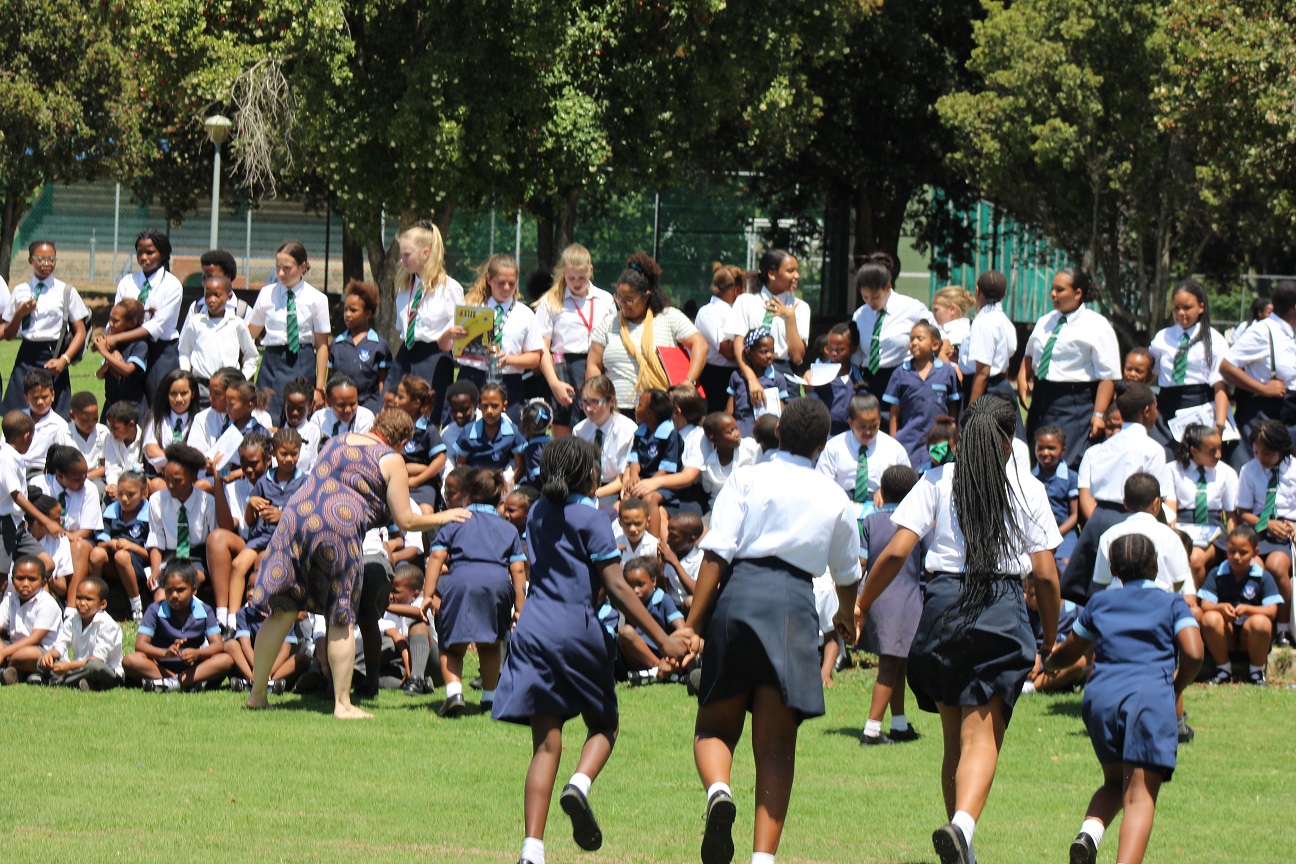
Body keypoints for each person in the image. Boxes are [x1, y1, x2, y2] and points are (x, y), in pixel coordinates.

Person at [848, 396, 1062, 864]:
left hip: (943, 605)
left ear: (962, 435)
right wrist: (1049, 636)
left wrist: (862, 602)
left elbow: (895, 551)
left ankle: (963, 849)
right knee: (981, 738)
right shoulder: (1028, 487)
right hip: (1000, 608)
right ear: (1009, 443)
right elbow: (1045, 576)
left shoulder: (935, 481)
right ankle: (962, 827)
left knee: (953, 740)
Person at [492, 437, 691, 864]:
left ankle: (532, 850)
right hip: (575, 628)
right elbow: (617, 587)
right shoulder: (594, 519)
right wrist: (664, 638)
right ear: (589, 474)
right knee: (604, 724)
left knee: (546, 743)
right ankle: (578, 785)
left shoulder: (539, 512)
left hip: (532, 630)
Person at [685, 398, 860, 864]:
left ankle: (719, 791)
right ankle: (763, 859)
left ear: (778, 433)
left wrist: (691, 624)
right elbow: (847, 573)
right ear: (823, 445)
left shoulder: (748, 477)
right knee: (777, 746)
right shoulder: (834, 496)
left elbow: (716, 553)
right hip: (794, 606)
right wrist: (846, 614)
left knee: (715, 726)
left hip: (739, 596)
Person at [242, 409, 470, 718]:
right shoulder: (391, 459)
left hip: (294, 519)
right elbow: (406, 519)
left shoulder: (336, 441)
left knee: (282, 608)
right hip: (338, 525)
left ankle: (257, 695)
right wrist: (444, 516)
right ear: (402, 440)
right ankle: (342, 704)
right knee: (341, 616)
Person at [1045, 534, 1203, 864]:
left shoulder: (1099, 603)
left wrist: (1047, 663)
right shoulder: (1172, 603)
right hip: (1149, 700)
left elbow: (1070, 650)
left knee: (1116, 781)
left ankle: (1088, 833)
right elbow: (1194, 652)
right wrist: (1175, 687)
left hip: (1101, 699)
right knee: (1141, 796)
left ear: (1113, 568)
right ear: (1156, 565)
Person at [422, 467, 527, 716]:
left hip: (462, 582)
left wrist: (427, 594)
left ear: (467, 495)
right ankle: (490, 699)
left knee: (451, 644)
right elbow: (519, 570)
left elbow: (437, 556)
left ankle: (454, 693)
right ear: (499, 498)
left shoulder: (454, 521)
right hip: (498, 585)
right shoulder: (508, 529)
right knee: (491, 643)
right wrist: (520, 608)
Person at [1062, 383, 1176, 603]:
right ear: (1146, 411)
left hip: (1098, 521)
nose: (1156, 413)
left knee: (1096, 594)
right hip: (1134, 522)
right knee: (1130, 593)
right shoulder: (1152, 449)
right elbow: (1157, 498)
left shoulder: (1100, 449)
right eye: (1155, 408)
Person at [1018, 268, 1121, 468]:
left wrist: (1099, 415)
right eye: (1052, 289)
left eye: (1060, 290)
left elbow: (1108, 376)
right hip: (1042, 399)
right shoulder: (1045, 321)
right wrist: (1023, 380)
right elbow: (1030, 355)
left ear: (1078, 293)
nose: (1053, 295)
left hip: (1074, 402)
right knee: (1037, 456)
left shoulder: (1097, 325)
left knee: (1067, 461)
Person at [857, 465, 928, 746]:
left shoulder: (869, 522)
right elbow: (927, 565)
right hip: (906, 600)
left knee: (898, 662)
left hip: (875, 598)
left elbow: (862, 563)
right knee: (890, 665)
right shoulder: (917, 523)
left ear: (881, 492)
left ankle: (898, 724)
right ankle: (872, 729)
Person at [586, 252, 707, 414]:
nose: (622, 303)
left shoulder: (669, 317)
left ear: (646, 296)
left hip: (659, 411)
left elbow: (700, 344)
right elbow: (593, 364)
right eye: (619, 297)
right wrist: (596, 397)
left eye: (629, 299)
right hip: (616, 411)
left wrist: (689, 381)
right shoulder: (608, 323)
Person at [1, 240, 90, 416]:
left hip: (53, 355)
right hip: (26, 355)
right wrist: (19, 314)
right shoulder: (20, 291)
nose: (46, 264)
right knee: (18, 414)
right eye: (40, 259)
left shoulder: (66, 291)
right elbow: (9, 334)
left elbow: (81, 331)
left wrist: (64, 359)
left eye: (51, 259)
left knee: (55, 414)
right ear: (30, 261)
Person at [450, 254, 543, 416]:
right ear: (488, 280)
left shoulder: (525, 314)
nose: (507, 288)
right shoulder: (471, 309)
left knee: (508, 434)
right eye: (501, 283)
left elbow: (535, 358)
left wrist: (509, 360)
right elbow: (449, 347)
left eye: (511, 284)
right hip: (473, 376)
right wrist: (452, 336)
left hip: (509, 381)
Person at [535, 244, 615, 434]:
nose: (577, 282)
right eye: (571, 278)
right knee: (564, 443)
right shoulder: (551, 301)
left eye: (582, 277)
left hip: (598, 367)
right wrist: (554, 384)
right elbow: (542, 348)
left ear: (591, 270)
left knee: (596, 438)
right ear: (563, 273)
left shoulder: (605, 300)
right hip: (565, 371)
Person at [247, 241, 330, 421]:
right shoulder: (267, 294)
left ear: (302, 267)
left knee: (297, 416)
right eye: (278, 267)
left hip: (301, 359)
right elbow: (250, 334)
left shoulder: (317, 299)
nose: (281, 273)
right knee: (265, 415)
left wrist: (319, 387)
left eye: (287, 268)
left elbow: (322, 345)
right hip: (272, 360)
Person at [123, 559, 235, 691]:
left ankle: (171, 684)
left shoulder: (205, 611)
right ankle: (182, 682)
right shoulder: (154, 610)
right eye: (169, 590)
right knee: (130, 660)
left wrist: (197, 654)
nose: (174, 595)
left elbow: (218, 645)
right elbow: (140, 645)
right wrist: (165, 653)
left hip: (194, 667)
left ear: (194, 589)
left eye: (180, 590)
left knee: (226, 660)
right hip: (161, 666)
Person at [1146, 280, 1230, 456]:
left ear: (1201, 307)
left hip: (1198, 406)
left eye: (1187, 307)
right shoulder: (1163, 337)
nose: (1181, 313)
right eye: (1176, 308)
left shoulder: (1214, 340)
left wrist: (1220, 425)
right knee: (1163, 458)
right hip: (1166, 407)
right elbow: (1150, 373)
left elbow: (1220, 385)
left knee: (1193, 460)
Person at [1220, 279, 1296, 470]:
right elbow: (1226, 366)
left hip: (1287, 415)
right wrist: (1263, 389)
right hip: (1263, 414)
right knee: (1254, 476)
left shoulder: (1288, 333)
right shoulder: (1263, 331)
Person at [393, 223, 465, 423]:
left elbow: (457, 334)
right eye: (401, 254)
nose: (402, 260)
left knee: (427, 418)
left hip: (434, 358)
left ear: (426, 253)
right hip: (406, 354)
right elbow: (403, 327)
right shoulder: (405, 286)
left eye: (407, 255)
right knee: (395, 413)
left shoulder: (449, 288)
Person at [1233, 419, 1296, 646]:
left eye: (1267, 453)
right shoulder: (1249, 470)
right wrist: (1266, 523)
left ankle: (1283, 629)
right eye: (1257, 452)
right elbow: (1244, 512)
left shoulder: (1294, 469)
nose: (1261, 458)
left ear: (1282, 449)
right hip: (1259, 531)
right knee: (1254, 567)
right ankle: (1257, 626)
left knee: (1277, 567)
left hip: (1288, 532)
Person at [106, 230, 184, 410]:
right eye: (140, 252)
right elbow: (115, 316)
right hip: (127, 348)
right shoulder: (127, 282)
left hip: (159, 352)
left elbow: (155, 326)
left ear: (163, 254)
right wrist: (114, 349)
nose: (143, 257)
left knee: (158, 404)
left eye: (150, 252)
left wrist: (115, 339)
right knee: (125, 402)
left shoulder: (172, 286)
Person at [1198, 525, 1280, 685]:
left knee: (1261, 622)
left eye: (1243, 553)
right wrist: (1220, 607)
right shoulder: (1217, 573)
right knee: (1209, 618)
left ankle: (1257, 672)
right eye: (1231, 551)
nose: (1236, 556)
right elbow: (1206, 605)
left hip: (1249, 638)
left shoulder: (1263, 577)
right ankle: (1223, 669)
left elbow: (1272, 611)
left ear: (1255, 553)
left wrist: (1248, 610)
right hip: (1225, 634)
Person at [850, 254, 934, 409]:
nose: (870, 303)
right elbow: (858, 354)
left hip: (902, 376)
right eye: (865, 297)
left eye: (875, 297)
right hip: (870, 380)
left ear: (888, 287)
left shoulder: (912, 308)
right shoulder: (860, 315)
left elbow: (935, 336)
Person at [1091, 473, 1194, 598]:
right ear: (1156, 503)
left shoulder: (1108, 535)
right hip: (1160, 607)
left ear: (1125, 503)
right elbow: (1179, 579)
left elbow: (1102, 580)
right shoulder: (1170, 536)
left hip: (1119, 607)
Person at [724, 249, 810, 386]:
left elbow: (797, 357)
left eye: (797, 270)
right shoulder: (746, 302)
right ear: (771, 274)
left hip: (786, 377)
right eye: (790, 271)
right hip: (751, 373)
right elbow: (738, 344)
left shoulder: (800, 307)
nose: (797, 276)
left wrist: (790, 317)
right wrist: (751, 379)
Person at [884, 321, 961, 470]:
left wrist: (952, 430)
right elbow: (894, 411)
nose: (914, 343)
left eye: (919, 338)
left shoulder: (947, 372)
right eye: (911, 339)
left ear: (935, 345)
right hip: (908, 440)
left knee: (937, 476)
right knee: (909, 479)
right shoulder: (900, 373)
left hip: (939, 440)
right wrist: (894, 440)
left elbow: (953, 406)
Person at [1169, 423, 1237, 586]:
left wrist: (1232, 544)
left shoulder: (1226, 472)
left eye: (1219, 448)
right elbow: (1171, 512)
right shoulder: (1173, 470)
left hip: (1213, 531)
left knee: (1195, 559)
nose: (1219, 455)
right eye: (1212, 450)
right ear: (1194, 450)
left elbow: (1231, 516)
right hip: (1183, 529)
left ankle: (1196, 604)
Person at [815, 393, 912, 506]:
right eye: (862, 427)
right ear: (851, 423)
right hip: (842, 506)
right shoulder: (833, 448)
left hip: (881, 508)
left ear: (879, 421)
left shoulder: (894, 449)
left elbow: (908, 487)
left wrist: (887, 492)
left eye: (873, 426)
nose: (868, 432)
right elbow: (821, 486)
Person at [177, 275, 260, 405]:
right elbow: (184, 352)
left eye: (217, 295)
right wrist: (187, 376)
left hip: (229, 387)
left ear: (229, 296)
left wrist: (242, 377)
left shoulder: (236, 323)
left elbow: (251, 355)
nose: (211, 300)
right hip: (201, 387)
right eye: (208, 295)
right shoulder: (196, 322)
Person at [38, 575, 123, 690]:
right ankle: (83, 683)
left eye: (89, 599)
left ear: (102, 604)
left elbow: (97, 659)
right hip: (78, 668)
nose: (82, 603)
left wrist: (68, 666)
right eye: (79, 598)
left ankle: (55, 681)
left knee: (94, 667)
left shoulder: (108, 625)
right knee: (41, 660)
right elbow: (61, 645)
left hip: (108, 672)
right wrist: (50, 655)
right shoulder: (72, 619)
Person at [91, 469, 149, 622]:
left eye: (131, 495)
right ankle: (95, 599)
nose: (124, 499)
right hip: (113, 560)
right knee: (97, 553)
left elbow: (152, 554)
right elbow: (101, 541)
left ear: (144, 493)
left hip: (137, 564)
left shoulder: (149, 515)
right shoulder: (111, 512)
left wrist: (131, 546)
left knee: (122, 556)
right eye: (120, 493)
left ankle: (136, 606)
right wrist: (111, 543)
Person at [572, 375, 636, 514]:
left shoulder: (627, 431)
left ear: (611, 401)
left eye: (594, 402)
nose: (588, 408)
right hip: (586, 487)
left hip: (612, 489)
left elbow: (622, 478)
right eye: (584, 402)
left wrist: (595, 494)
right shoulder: (579, 430)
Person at [959, 271, 1019, 414]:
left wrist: (971, 413)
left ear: (978, 291)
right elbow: (1006, 359)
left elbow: (983, 373)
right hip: (1001, 388)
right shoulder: (1005, 321)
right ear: (1004, 294)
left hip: (982, 393)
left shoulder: (983, 323)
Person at [327, 280, 391, 414]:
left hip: (369, 408)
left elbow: (383, 381)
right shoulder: (337, 344)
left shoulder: (379, 345)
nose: (347, 314)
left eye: (353, 310)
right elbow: (330, 378)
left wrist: (382, 409)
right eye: (345, 309)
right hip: (341, 409)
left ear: (368, 314)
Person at [0, 413, 48, 579]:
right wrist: (45, 519)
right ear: (27, 435)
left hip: (17, 524)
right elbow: (17, 496)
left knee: (46, 564)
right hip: (4, 524)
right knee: (2, 578)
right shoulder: (5, 458)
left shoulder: (15, 457)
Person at [390, 375, 447, 512]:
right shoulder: (392, 424)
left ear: (416, 403)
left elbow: (440, 459)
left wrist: (419, 478)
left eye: (401, 397)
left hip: (421, 484)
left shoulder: (427, 430)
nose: (396, 400)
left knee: (426, 513)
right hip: (396, 478)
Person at [0, 556, 61, 685]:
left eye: (32, 579)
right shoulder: (10, 599)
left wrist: (4, 653)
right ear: (12, 579)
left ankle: (9, 670)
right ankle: (20, 673)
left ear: (44, 582)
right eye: (20, 578)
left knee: (25, 655)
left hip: (43, 652)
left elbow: (34, 639)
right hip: (12, 648)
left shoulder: (47, 604)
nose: (25, 584)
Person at [694, 263, 745, 414]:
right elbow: (728, 351)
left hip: (736, 373)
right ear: (737, 290)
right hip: (716, 377)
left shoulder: (735, 310)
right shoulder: (709, 312)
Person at [1031, 426, 1079, 572]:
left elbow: (1075, 514)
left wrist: (1056, 533)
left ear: (1063, 450)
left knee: (1065, 568)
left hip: (1064, 532)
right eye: (1041, 448)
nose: (1045, 453)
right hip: (1037, 533)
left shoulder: (1071, 477)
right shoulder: (1030, 477)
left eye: (1051, 448)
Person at [726, 327, 790, 437]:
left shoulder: (777, 379)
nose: (770, 355)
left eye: (772, 350)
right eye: (764, 352)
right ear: (749, 353)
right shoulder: (737, 377)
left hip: (767, 434)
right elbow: (729, 411)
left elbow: (781, 412)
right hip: (742, 431)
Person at [141, 370, 200, 481]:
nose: (178, 399)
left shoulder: (200, 420)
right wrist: (177, 463)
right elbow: (151, 450)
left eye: (184, 393)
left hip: (191, 480)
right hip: (163, 478)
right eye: (173, 394)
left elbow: (199, 455)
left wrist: (174, 464)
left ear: (193, 394)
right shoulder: (157, 419)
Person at [18, 368, 74, 479]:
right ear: (26, 399)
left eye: (44, 397)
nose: (40, 402)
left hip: (43, 473)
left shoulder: (59, 425)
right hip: (17, 468)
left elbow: (67, 455)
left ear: (53, 395)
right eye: (35, 398)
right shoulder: (18, 419)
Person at [102, 401, 144, 501]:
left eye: (115, 428)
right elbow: (111, 467)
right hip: (117, 485)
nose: (111, 431)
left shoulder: (145, 439)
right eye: (110, 427)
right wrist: (113, 485)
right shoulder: (110, 439)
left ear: (131, 425)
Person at [931, 285, 974, 366]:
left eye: (936, 309)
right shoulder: (967, 326)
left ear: (952, 309)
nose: (932, 313)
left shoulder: (958, 334)